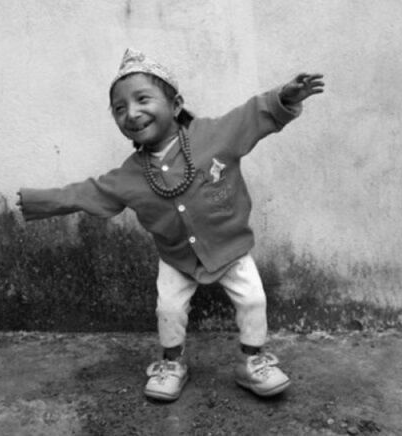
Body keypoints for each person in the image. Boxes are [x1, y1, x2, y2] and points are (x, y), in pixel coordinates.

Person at [18, 48, 323, 401]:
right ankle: (172, 363)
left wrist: (285, 97)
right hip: (176, 257)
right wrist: (37, 201)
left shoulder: (214, 134)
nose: (131, 113)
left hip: (230, 249)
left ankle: (252, 361)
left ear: (176, 105)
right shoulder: (130, 174)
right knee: (169, 309)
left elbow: (252, 116)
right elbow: (87, 192)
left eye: (142, 99)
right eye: (119, 108)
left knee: (253, 300)